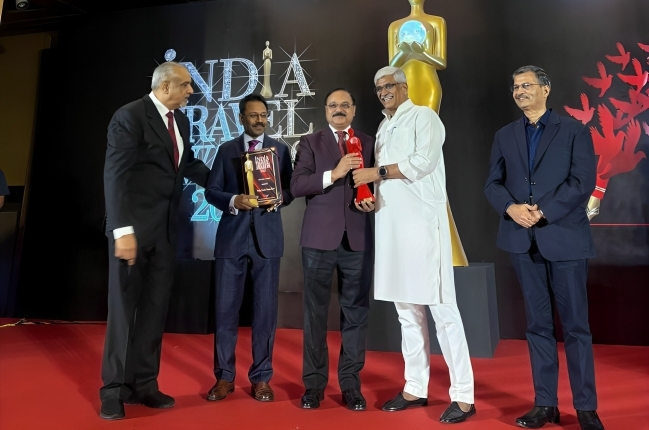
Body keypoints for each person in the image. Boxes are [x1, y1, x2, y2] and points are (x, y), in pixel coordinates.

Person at [484, 65, 604, 430]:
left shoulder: (574, 130)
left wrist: (543, 211)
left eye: (526, 85)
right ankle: (545, 404)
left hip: (565, 239)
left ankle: (586, 408)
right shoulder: (504, 135)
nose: (519, 91)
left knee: (576, 327)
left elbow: (582, 181)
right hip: (522, 241)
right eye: (515, 86)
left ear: (545, 89)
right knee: (537, 326)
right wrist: (511, 207)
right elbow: (492, 184)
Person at [353, 66, 475, 424]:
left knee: (443, 311)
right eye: (378, 88)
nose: (384, 92)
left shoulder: (424, 116)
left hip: (423, 225)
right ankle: (415, 387)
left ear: (405, 87)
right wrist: (370, 194)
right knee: (406, 312)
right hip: (391, 226)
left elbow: (422, 163)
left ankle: (464, 395)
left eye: (389, 85)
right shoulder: (383, 126)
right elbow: (384, 179)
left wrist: (376, 173)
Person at [101, 61, 210, 420]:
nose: (191, 91)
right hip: (131, 235)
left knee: (153, 311)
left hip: (165, 234)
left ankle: (144, 385)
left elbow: (188, 165)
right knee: (123, 313)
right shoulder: (130, 116)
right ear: (165, 86)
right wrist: (122, 232)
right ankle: (113, 390)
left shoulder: (181, 122)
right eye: (185, 85)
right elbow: (115, 176)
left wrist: (231, 182)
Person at [204, 93, 293, 403]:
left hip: (268, 241)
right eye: (253, 115)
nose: (259, 120)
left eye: (263, 115)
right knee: (225, 312)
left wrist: (278, 198)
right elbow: (211, 191)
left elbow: (290, 190)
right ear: (241, 118)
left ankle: (262, 378)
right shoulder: (226, 150)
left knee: (265, 314)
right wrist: (233, 200)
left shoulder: (280, 150)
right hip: (231, 239)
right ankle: (224, 377)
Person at [291, 88, 375, 411]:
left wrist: (374, 201)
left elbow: (378, 184)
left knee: (356, 313)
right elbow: (298, 185)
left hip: (358, 239)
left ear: (353, 109)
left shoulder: (369, 142)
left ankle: (351, 385)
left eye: (345, 105)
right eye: (333, 105)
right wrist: (335, 173)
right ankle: (313, 386)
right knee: (315, 314)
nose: (339, 110)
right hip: (318, 241)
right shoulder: (310, 142)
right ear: (326, 110)